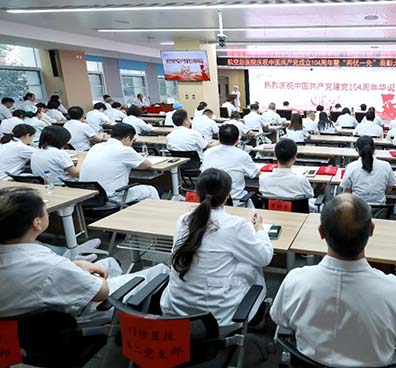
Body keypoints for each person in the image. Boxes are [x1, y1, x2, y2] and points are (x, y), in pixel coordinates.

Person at [271, 193, 396, 367]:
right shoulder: (395, 292)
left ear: (321, 232)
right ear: (371, 230)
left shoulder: (296, 281)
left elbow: (279, 318)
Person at [0, 187, 168, 323]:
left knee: (110, 263)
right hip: (74, 316)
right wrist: (91, 276)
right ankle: (130, 320)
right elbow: (102, 292)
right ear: (37, 223)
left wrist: (77, 266)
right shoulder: (50, 266)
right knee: (161, 271)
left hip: (25, 318)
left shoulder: (26, 257)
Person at [160, 169, 272, 324]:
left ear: (196, 193)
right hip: (217, 316)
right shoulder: (235, 225)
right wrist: (259, 228)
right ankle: (257, 319)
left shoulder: (183, 220)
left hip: (176, 310)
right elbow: (264, 257)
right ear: (228, 195)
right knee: (252, 267)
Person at [80, 123, 159, 204]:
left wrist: (135, 156)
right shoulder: (124, 150)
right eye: (133, 140)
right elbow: (147, 164)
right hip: (111, 198)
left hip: (87, 197)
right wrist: (136, 156)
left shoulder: (96, 147)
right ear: (128, 138)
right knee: (151, 190)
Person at [201, 124, 260, 206]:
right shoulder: (242, 155)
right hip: (234, 201)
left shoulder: (207, 152)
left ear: (218, 137)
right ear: (238, 139)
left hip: (209, 200)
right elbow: (256, 174)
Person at [341, 136, 396, 205]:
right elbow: (389, 189)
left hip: (357, 208)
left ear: (357, 150)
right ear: (374, 149)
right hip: (380, 209)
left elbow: (347, 191)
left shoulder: (351, 166)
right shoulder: (386, 165)